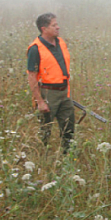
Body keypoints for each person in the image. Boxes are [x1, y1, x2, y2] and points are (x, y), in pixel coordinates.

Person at [27, 13, 75, 153]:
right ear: (44, 29)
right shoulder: (35, 49)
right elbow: (32, 76)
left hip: (64, 91)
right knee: (45, 129)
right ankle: (41, 158)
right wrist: (40, 101)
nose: (58, 27)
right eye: (54, 25)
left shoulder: (61, 43)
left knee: (69, 129)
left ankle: (68, 157)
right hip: (48, 93)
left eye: (57, 24)